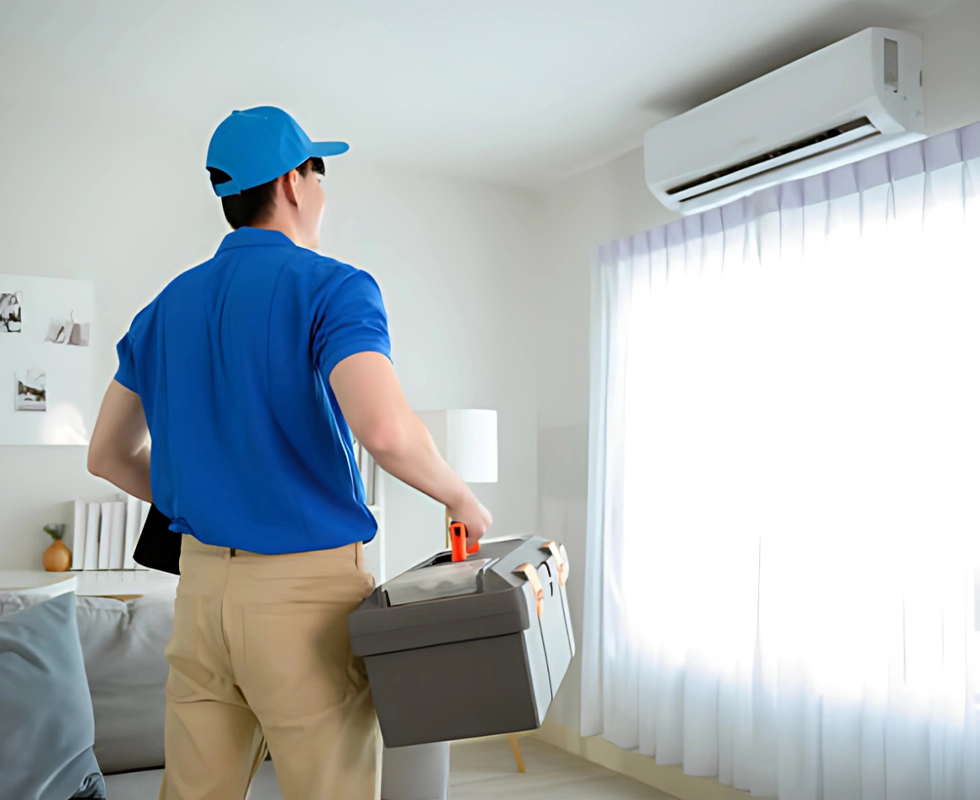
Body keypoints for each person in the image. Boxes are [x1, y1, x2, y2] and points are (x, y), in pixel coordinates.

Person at [87, 106, 493, 800]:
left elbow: (107, 455)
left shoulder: (162, 309)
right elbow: (386, 430)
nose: (323, 191)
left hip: (200, 596)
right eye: (318, 171)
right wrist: (459, 496)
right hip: (303, 602)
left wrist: (204, 496)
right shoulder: (332, 286)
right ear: (295, 183)